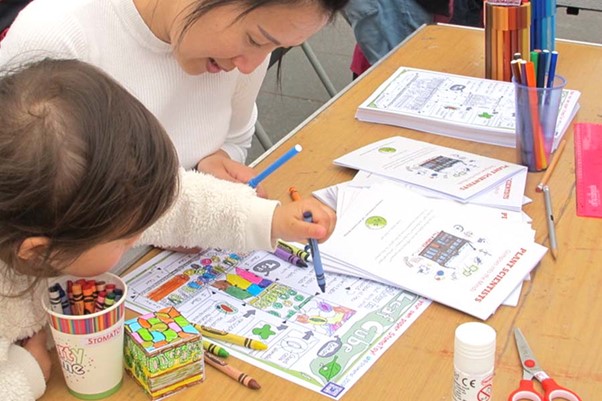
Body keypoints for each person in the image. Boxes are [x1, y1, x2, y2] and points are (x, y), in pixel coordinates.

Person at [0, 58, 335, 400]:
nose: (144, 232)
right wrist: (26, 372)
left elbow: (181, 204)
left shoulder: (82, 204)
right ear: (39, 252)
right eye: (128, 238)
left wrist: (271, 219)